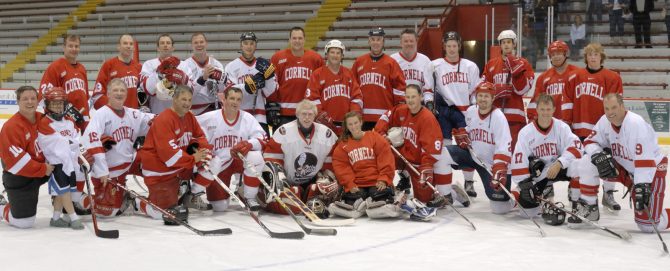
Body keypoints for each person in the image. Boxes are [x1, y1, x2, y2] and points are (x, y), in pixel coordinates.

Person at [569, 94, 669, 232]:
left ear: (622, 106)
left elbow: (645, 160)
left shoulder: (635, 123)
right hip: (625, 168)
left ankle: (659, 215)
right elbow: (590, 142)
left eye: (614, 107)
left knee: (649, 226)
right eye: (607, 108)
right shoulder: (604, 121)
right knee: (587, 162)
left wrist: (641, 186)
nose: (610, 112)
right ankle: (589, 206)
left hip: (651, 171)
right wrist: (598, 154)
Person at [374, 85, 470, 208]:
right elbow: (386, 116)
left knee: (424, 200)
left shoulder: (427, 119)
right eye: (408, 97)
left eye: (413, 96)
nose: (410, 100)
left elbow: (432, 150)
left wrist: (426, 168)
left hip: (420, 163)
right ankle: (386, 189)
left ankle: (452, 193)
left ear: (421, 97)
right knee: (381, 154)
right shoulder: (402, 110)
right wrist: (381, 133)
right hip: (404, 157)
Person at [136, 85, 211, 225]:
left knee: (212, 160)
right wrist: (194, 158)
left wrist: (201, 149)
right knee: (164, 214)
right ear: (174, 99)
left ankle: (192, 195)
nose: (187, 103)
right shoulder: (164, 119)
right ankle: (137, 202)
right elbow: (169, 156)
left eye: (189, 100)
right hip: (159, 171)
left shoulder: (189, 116)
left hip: (179, 167)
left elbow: (200, 136)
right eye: (183, 99)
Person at [562, 43, 623, 212]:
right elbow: (567, 102)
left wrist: (614, 127)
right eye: (590, 54)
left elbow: (616, 105)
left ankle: (608, 193)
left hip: (603, 132)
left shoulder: (612, 77)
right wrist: (567, 124)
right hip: (580, 131)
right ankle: (578, 195)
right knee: (579, 165)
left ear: (601, 56)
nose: (593, 57)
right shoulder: (574, 77)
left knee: (608, 162)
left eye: (596, 54)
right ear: (586, 57)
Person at [82, 78, 154, 217]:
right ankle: (79, 198)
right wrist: (102, 171)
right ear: (108, 94)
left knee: (155, 161)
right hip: (109, 171)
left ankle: (154, 195)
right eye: (115, 90)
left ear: (127, 94)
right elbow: (91, 141)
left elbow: (153, 122)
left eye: (122, 90)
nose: (119, 93)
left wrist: (173, 117)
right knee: (107, 212)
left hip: (129, 162)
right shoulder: (101, 114)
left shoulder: (133, 113)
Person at [441, 82, 516, 214]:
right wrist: (464, 134)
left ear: (493, 98)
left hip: (492, 166)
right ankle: (450, 193)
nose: (482, 99)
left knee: (499, 209)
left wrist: (499, 169)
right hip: (473, 156)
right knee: (441, 155)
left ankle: (517, 195)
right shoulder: (471, 111)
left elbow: (504, 147)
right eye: (480, 95)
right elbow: (471, 128)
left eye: (486, 96)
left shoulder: (499, 118)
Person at [191, 87, 267, 212]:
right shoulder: (209, 118)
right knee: (219, 207)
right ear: (224, 99)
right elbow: (190, 133)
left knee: (256, 157)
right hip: (219, 166)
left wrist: (249, 144)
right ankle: (193, 193)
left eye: (238, 99)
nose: (235, 102)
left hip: (239, 160)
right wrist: (202, 149)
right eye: (232, 98)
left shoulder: (247, 118)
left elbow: (263, 138)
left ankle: (249, 196)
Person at [511, 93, 583, 223]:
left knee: (579, 165)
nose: (545, 113)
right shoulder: (526, 132)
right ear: (537, 109)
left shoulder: (561, 127)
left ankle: (577, 203)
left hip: (557, 169)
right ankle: (543, 192)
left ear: (554, 109)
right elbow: (518, 160)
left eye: (548, 109)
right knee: (527, 213)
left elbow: (578, 147)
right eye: (542, 109)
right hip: (538, 176)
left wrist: (561, 162)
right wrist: (524, 184)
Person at [263, 99, 338, 215]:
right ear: (297, 114)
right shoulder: (284, 132)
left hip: (312, 180)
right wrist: (279, 177)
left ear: (315, 115)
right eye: (303, 114)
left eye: (310, 114)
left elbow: (332, 161)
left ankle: (307, 195)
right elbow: (271, 157)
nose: (307, 117)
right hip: (287, 180)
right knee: (291, 195)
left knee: (318, 190)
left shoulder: (326, 134)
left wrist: (325, 177)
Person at [432, 31, 482, 197]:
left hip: (465, 111)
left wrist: (474, 111)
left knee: (468, 145)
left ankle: (469, 182)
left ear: (459, 46)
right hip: (445, 110)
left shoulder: (470, 66)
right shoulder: (435, 65)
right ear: (444, 47)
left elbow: (475, 91)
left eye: (454, 46)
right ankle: (445, 182)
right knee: (445, 147)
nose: (452, 49)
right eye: (449, 46)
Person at [0, 86, 54, 229]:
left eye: (33, 98)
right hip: (19, 177)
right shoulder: (11, 127)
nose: (29, 102)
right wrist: (44, 169)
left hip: (42, 169)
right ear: (18, 102)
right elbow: (15, 163)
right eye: (25, 99)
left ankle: (65, 199)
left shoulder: (43, 119)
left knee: (67, 166)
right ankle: (2, 207)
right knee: (24, 222)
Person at [330, 111, 398, 219]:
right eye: (350, 124)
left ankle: (383, 201)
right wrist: (349, 184)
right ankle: (357, 204)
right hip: (358, 185)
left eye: (356, 123)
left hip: (376, 182)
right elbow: (342, 167)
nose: (354, 126)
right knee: (356, 196)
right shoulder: (343, 145)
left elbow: (386, 159)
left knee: (378, 194)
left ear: (361, 122)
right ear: (346, 126)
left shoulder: (374, 137)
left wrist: (384, 179)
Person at [37, 87, 85, 229]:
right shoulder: (45, 122)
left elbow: (77, 138)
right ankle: (73, 217)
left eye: (60, 103)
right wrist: (70, 143)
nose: (58, 106)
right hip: (56, 164)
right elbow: (53, 143)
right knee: (64, 191)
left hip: (70, 162)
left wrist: (73, 146)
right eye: (54, 103)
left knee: (62, 191)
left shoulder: (69, 120)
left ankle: (55, 218)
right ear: (47, 105)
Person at [481, 30, 534, 151]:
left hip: (515, 118)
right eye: (503, 42)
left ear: (514, 44)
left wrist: (517, 73)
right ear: (500, 45)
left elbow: (523, 90)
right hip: (495, 116)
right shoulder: (491, 64)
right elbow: (482, 89)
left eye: (509, 42)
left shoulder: (523, 63)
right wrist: (494, 90)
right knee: (495, 151)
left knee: (514, 152)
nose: (506, 45)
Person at [352, 27, 406, 131]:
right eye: (373, 39)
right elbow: (353, 89)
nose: (376, 42)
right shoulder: (359, 62)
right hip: (363, 118)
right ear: (369, 41)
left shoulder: (391, 63)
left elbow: (400, 91)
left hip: (385, 117)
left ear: (383, 41)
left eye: (378, 39)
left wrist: (395, 114)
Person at [305, 39, 362, 135]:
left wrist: (352, 116)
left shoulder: (349, 74)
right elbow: (311, 99)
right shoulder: (317, 74)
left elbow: (357, 98)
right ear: (326, 55)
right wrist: (322, 116)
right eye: (332, 52)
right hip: (323, 126)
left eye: (338, 53)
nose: (335, 55)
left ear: (342, 56)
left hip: (347, 126)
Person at [225, 32, 278, 135]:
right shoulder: (231, 66)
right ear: (241, 45)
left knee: (261, 148)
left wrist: (270, 77)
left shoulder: (263, 65)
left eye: (251, 43)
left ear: (255, 46)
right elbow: (228, 92)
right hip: (238, 115)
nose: (248, 46)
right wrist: (246, 87)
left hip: (260, 117)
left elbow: (270, 93)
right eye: (245, 43)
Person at [270, 27, 324, 126]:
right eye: (294, 38)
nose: (297, 41)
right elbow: (271, 84)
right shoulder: (277, 58)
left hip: (308, 112)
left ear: (304, 40)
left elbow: (322, 85)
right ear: (290, 40)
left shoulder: (316, 59)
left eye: (300, 38)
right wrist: (271, 104)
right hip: (284, 112)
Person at [39, 34, 90, 131]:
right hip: (63, 122)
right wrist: (64, 112)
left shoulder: (82, 69)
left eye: (76, 46)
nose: (74, 49)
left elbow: (85, 97)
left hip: (83, 120)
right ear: (64, 47)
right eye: (70, 46)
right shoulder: (55, 67)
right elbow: (43, 96)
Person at [138, 34, 193, 114]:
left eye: (168, 43)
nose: (165, 45)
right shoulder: (149, 64)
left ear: (173, 47)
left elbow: (191, 90)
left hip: (179, 112)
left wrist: (183, 79)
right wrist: (159, 73)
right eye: (162, 43)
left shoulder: (183, 65)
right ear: (157, 48)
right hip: (157, 111)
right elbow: (146, 89)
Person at [527, 40, 579, 121]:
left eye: (558, 53)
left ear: (566, 54)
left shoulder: (577, 74)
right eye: (553, 54)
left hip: (573, 122)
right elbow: (536, 101)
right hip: (550, 123)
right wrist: (532, 118)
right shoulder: (543, 77)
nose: (555, 57)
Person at [91, 34, 142, 110]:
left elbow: (142, 93)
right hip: (114, 115)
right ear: (118, 47)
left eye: (131, 44)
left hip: (132, 116)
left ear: (134, 48)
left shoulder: (139, 67)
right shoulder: (108, 65)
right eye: (125, 43)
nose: (128, 46)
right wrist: (111, 108)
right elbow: (97, 95)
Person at [183, 32, 227, 115]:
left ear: (206, 44)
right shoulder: (185, 65)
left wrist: (219, 83)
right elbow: (186, 92)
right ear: (191, 45)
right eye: (196, 42)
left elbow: (221, 90)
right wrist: (202, 79)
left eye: (201, 42)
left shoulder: (216, 64)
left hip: (213, 109)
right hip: (193, 111)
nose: (199, 45)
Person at [390, 29, 434, 112]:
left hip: (420, 105)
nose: (409, 43)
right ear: (401, 43)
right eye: (406, 41)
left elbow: (428, 88)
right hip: (398, 105)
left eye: (411, 41)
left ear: (416, 42)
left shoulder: (425, 60)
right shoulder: (392, 60)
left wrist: (429, 102)